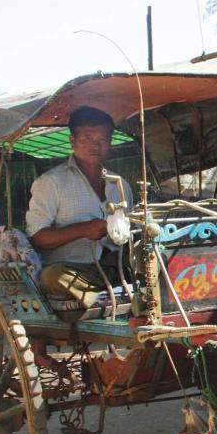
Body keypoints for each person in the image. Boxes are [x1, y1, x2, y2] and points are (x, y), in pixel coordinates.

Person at [25, 106, 133, 309]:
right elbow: (37, 237)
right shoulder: (51, 182)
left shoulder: (120, 184)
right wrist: (82, 230)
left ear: (110, 144)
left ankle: (118, 294)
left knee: (157, 259)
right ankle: (104, 300)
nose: (95, 145)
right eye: (87, 138)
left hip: (115, 266)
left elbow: (130, 229)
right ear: (72, 141)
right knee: (51, 277)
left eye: (102, 140)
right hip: (75, 271)